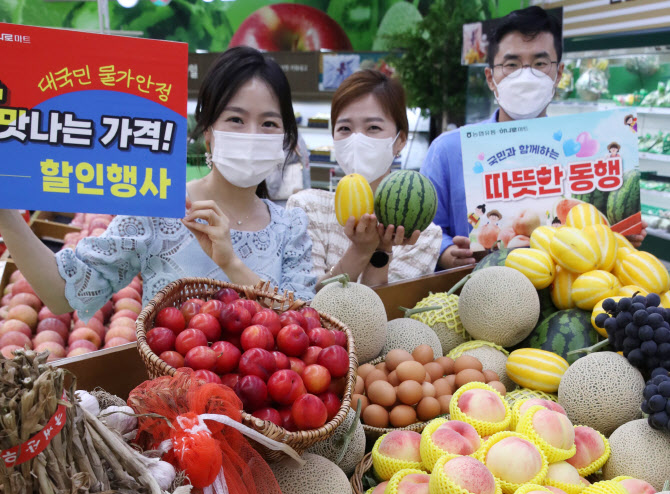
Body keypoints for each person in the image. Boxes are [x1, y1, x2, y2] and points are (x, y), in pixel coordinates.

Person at [0, 47, 316, 321]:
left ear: (285, 139)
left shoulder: (291, 228)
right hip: (169, 391)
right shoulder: (159, 209)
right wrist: (7, 215)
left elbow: (305, 327)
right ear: (207, 131)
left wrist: (231, 264)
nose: (251, 135)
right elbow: (62, 294)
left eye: (269, 123)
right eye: (236, 119)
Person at [421, 7, 646, 270]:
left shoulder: (586, 151)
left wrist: (623, 233)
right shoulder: (448, 150)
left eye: (540, 64)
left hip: (565, 298)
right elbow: (423, 231)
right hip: (477, 298)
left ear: (559, 74)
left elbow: (600, 240)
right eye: (511, 64)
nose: (525, 76)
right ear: (490, 78)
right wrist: (446, 252)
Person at [286, 69, 442, 288]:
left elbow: (383, 313)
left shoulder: (422, 234)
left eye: (373, 128)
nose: (357, 138)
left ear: (400, 140)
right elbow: (306, 301)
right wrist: (360, 250)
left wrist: (382, 251)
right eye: (345, 128)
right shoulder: (307, 208)